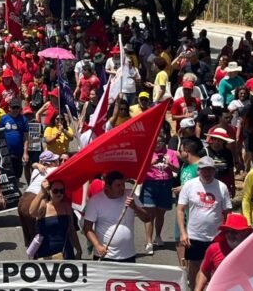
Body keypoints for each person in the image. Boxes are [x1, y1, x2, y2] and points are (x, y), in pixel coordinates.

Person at [177, 157, 233, 288]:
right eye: (204, 170)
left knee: (213, 266)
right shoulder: (189, 185)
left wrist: (227, 234)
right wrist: (183, 233)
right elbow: (180, 209)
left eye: (210, 170)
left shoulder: (222, 187)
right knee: (194, 265)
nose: (207, 173)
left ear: (214, 171)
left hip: (216, 236)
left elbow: (228, 212)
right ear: (198, 171)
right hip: (194, 234)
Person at [83, 170, 150, 262]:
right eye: (118, 185)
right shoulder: (95, 201)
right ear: (107, 187)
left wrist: (135, 207)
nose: (122, 188)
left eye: (123, 184)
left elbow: (147, 218)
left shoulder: (130, 195)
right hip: (105, 255)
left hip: (128, 254)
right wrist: (98, 246)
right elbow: (87, 227)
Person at [141, 122, 179, 255]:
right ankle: (149, 241)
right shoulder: (147, 152)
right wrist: (152, 163)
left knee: (160, 214)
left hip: (165, 184)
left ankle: (158, 235)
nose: (158, 145)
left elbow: (177, 169)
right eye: (156, 142)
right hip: (150, 184)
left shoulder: (171, 153)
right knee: (149, 214)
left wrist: (169, 164)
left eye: (160, 142)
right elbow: (140, 170)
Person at [193, 213, 253, 291]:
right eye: (227, 231)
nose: (230, 235)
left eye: (235, 232)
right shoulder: (214, 249)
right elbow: (204, 272)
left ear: (246, 233)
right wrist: (197, 289)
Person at [28, 179, 83, 259]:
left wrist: (79, 249)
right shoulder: (44, 205)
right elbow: (32, 212)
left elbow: (71, 230)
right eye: (55, 191)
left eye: (61, 191)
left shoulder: (66, 207)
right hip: (46, 252)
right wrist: (41, 192)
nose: (59, 193)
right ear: (49, 191)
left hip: (65, 252)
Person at [0, 98, 31, 186]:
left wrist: (25, 153)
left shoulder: (23, 119)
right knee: (5, 173)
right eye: (13, 107)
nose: (16, 110)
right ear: (9, 108)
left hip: (18, 152)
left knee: (17, 173)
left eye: (17, 108)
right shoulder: (3, 119)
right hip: (5, 152)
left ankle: (16, 190)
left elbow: (26, 138)